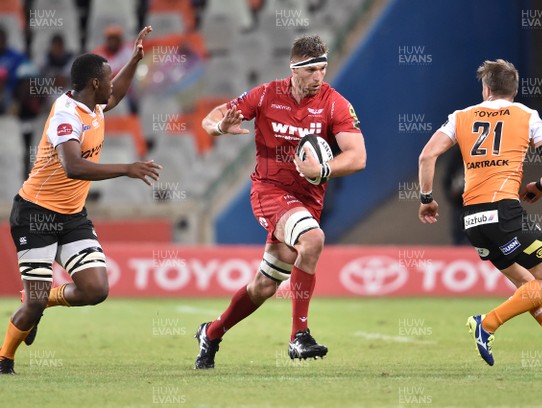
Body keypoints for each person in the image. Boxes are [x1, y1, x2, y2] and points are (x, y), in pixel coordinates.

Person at [194, 34, 366, 369]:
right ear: (294, 69)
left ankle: (211, 333)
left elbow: (358, 157)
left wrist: (324, 168)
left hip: (307, 200)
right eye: (312, 70)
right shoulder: (267, 95)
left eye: (323, 68)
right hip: (269, 192)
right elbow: (212, 116)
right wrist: (219, 128)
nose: (319, 76)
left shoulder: (335, 103)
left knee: (264, 286)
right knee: (313, 239)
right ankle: (299, 337)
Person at [0, 26, 161, 375]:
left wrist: (133, 60)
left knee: (95, 289)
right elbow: (72, 166)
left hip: (72, 215)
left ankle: (39, 301)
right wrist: (127, 168)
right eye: (107, 78)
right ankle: (4, 359)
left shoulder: (96, 104)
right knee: (34, 305)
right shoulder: (66, 115)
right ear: (93, 86)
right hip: (36, 215)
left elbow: (117, 92)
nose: (111, 83)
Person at [418, 59, 542, 371]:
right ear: (514, 89)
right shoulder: (527, 115)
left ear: (486, 89)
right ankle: (486, 323)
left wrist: (427, 199)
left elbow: (427, 155)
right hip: (503, 213)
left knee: (529, 285)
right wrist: (539, 187)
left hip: (472, 220)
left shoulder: (460, 117)